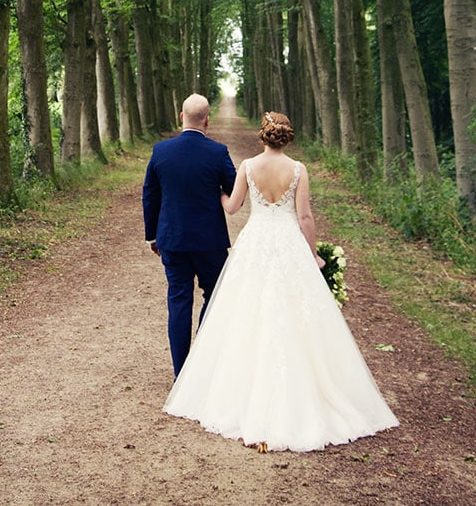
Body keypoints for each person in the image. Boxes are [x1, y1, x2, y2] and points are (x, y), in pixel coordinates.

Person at [163, 111, 399, 452]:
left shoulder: (247, 166)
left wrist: (217, 195)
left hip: (256, 242)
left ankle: (239, 390)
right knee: (296, 313)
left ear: (263, 136)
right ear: (287, 137)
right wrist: (314, 254)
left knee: (247, 312)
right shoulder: (299, 169)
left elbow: (232, 207)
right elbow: (304, 215)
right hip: (288, 242)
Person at [142, 93, 237, 376]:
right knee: (214, 295)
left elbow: (150, 195)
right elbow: (235, 193)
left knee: (179, 300)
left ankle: (181, 371)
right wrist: (218, 191)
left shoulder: (161, 151)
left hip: (172, 239)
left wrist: (153, 236)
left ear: (181, 117)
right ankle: (203, 364)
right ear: (207, 120)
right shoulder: (218, 153)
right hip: (210, 243)